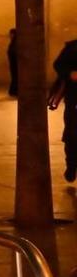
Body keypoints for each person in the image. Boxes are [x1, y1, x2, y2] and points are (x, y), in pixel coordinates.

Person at [51, 36, 77, 184]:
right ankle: (72, 165)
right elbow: (58, 65)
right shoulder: (72, 47)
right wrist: (70, 73)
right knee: (72, 134)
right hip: (74, 98)